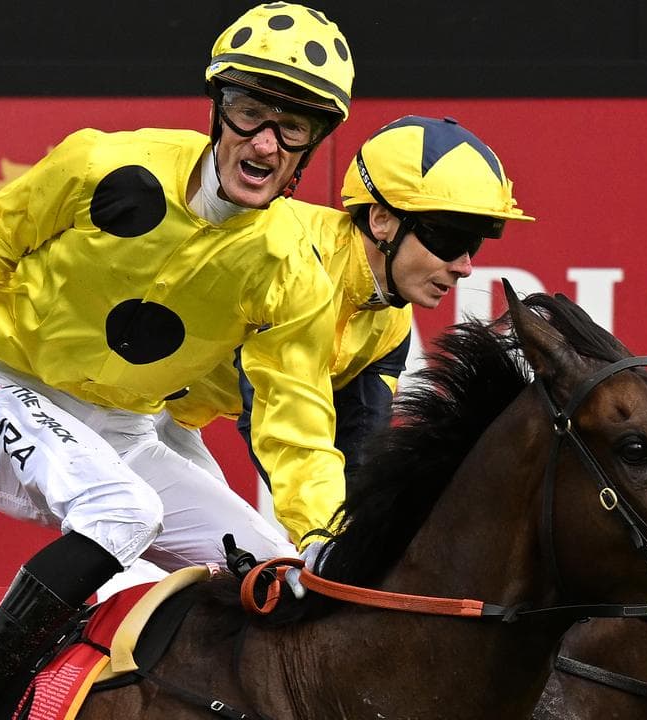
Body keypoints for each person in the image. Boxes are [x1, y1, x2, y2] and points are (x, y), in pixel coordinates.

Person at [0, 5, 354, 718]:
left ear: (313, 144)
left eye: (291, 129)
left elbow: (296, 423)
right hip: (5, 394)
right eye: (251, 113)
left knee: (279, 575)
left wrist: (320, 535)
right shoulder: (102, 162)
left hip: (128, 434)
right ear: (216, 109)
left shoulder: (293, 270)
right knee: (124, 511)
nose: (263, 145)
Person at [164, 115, 534, 572]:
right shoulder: (294, 259)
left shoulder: (391, 322)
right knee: (228, 557)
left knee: (246, 571)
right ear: (381, 219)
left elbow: (361, 457)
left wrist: (364, 542)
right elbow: (284, 427)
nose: (464, 266)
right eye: (451, 239)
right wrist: (324, 536)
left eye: (473, 243)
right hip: (84, 399)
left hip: (157, 424)